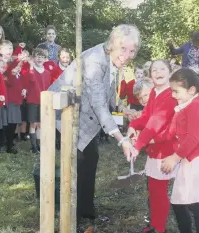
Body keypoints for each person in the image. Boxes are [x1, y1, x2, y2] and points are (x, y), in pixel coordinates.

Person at [48, 24, 141, 231]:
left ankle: (85, 211)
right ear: (113, 43)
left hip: (81, 114)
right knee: (77, 164)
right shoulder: (95, 61)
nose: (127, 55)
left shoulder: (113, 61)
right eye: (123, 49)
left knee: (90, 158)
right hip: (62, 114)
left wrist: (123, 109)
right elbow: (99, 105)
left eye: (132, 50)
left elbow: (107, 94)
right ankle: (72, 216)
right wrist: (122, 139)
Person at [160, 68, 199, 233]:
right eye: (171, 91)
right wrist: (147, 138)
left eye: (176, 91)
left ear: (191, 90)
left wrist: (174, 158)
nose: (173, 95)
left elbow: (193, 139)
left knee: (198, 206)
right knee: (179, 202)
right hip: (189, 159)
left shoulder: (196, 106)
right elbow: (169, 132)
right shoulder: (182, 106)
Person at [127, 60, 177, 233]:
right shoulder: (155, 92)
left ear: (169, 72)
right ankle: (155, 224)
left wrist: (138, 145)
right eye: (154, 69)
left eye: (162, 68)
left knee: (160, 191)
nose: (158, 72)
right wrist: (133, 126)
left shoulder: (170, 94)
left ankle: (159, 228)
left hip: (167, 149)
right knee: (154, 190)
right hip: (155, 148)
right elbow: (147, 116)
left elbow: (156, 122)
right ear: (150, 74)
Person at [26, 48, 51, 153]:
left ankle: (39, 144)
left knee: (40, 123)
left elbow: (48, 87)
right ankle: (33, 146)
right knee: (33, 123)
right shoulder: (31, 70)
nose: (40, 58)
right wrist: (31, 67)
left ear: (45, 59)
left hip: (43, 101)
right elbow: (31, 80)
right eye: (37, 56)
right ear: (33, 58)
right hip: (33, 100)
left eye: (42, 57)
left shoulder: (47, 72)